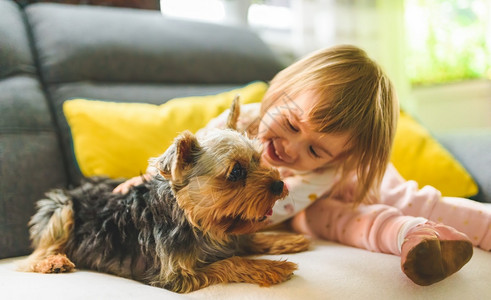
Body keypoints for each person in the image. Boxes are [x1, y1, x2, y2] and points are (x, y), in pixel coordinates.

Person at [113, 45, 491, 286]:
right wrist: (141, 181)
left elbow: (291, 195)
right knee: (346, 221)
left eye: (315, 149)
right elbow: (184, 172)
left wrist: (322, 167)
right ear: (278, 94)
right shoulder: (232, 129)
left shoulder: (332, 168)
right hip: (299, 212)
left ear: (338, 155)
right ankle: (413, 238)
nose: (291, 150)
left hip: (318, 191)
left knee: (404, 199)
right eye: (291, 125)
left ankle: (481, 225)